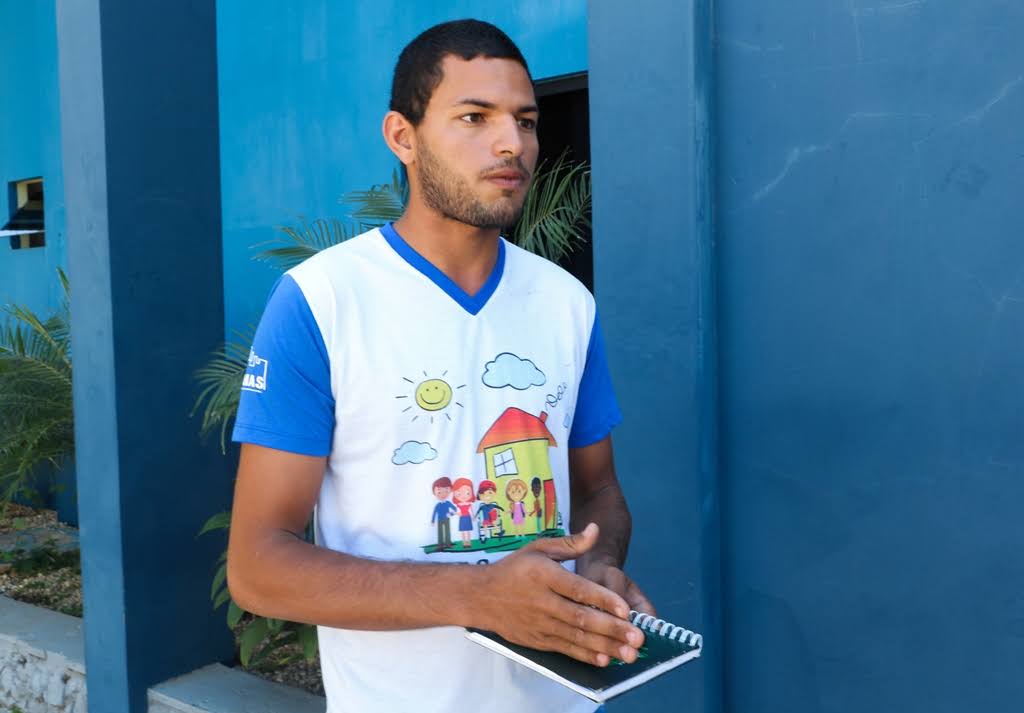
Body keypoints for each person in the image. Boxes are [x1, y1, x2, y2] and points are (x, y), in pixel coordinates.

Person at [226, 18, 654, 713]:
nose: (511, 143)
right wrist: (478, 595)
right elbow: (258, 566)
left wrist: (598, 567)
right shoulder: (322, 300)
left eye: (525, 121)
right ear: (403, 137)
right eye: (474, 117)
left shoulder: (566, 302)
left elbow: (598, 488)